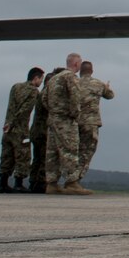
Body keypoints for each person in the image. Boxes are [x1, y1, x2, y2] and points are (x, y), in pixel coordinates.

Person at [41, 52, 89, 195]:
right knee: (70, 149)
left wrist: (53, 111)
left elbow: (43, 98)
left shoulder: (54, 78)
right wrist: (75, 114)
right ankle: (71, 182)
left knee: (52, 152)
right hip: (66, 120)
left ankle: (51, 183)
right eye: (79, 63)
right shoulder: (70, 77)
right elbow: (75, 96)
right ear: (76, 64)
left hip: (53, 119)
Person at [0, 68, 44, 192]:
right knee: (23, 156)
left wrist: (8, 124)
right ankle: (18, 183)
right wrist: (14, 123)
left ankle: (2, 183)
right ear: (36, 78)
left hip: (7, 128)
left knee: (7, 155)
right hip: (20, 128)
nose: (41, 82)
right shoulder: (33, 91)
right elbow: (24, 110)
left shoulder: (15, 87)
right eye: (41, 79)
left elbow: (11, 107)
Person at [74, 60, 115, 186]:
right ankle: (76, 179)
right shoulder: (98, 83)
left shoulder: (74, 82)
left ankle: (68, 177)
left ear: (80, 71)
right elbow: (110, 95)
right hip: (90, 123)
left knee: (72, 151)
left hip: (73, 122)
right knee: (87, 152)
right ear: (91, 71)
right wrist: (107, 88)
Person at [27, 67, 61, 193]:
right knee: (43, 158)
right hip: (43, 131)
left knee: (37, 158)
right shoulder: (47, 95)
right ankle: (40, 182)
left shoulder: (40, 94)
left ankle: (33, 182)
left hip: (36, 130)